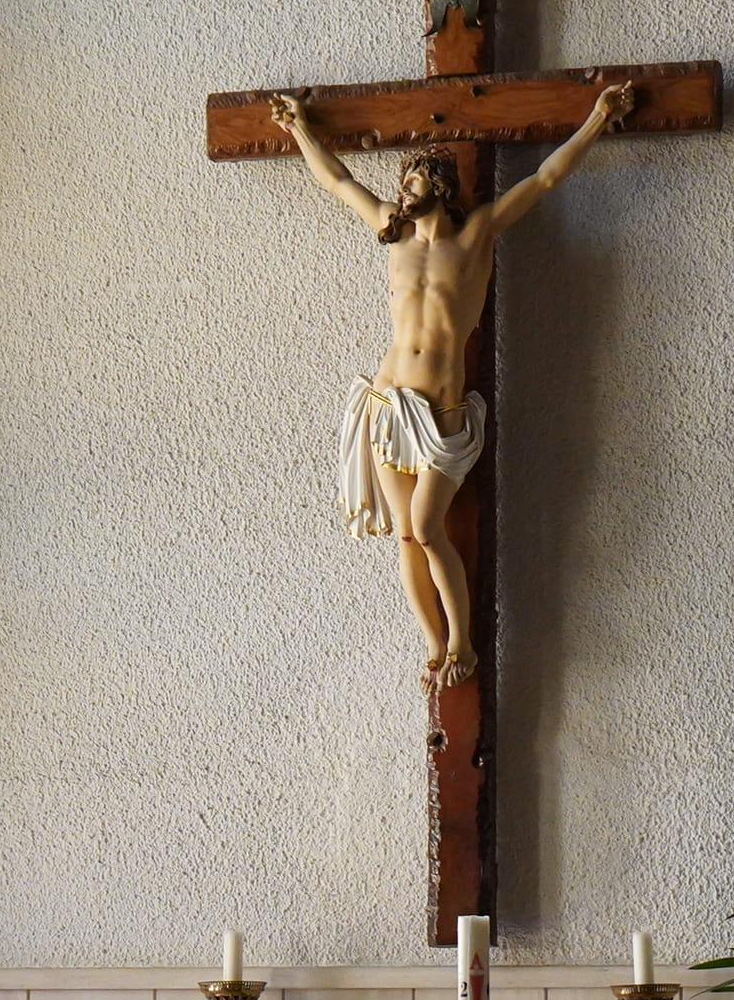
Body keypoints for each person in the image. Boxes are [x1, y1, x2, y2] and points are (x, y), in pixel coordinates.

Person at [271, 81, 637, 692]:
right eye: (402, 182)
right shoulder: (391, 229)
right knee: (407, 534)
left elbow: (544, 180)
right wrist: (299, 129)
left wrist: (598, 118)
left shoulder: (476, 236)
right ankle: (435, 646)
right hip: (390, 405)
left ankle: (463, 639)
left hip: (440, 415)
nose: (401, 191)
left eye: (412, 182)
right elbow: (336, 180)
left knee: (428, 527)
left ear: (437, 187)